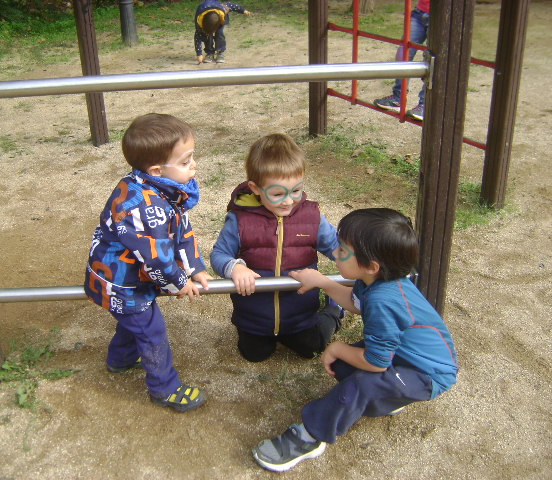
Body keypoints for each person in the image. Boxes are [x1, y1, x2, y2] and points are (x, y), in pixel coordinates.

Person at [251, 208, 458, 472]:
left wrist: (338, 347)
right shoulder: (375, 281)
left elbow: (376, 362)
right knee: (343, 366)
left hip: (426, 372)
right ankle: (388, 397)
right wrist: (322, 282)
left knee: (360, 384)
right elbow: (354, 302)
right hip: (401, 355)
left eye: (342, 250)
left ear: (372, 266)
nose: (335, 253)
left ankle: (310, 436)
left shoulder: (384, 301)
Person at [84, 113, 213, 413]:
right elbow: (157, 257)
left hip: (133, 278)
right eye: (186, 161)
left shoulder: (161, 189)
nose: (194, 165)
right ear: (157, 169)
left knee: (134, 325)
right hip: (123, 283)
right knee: (151, 331)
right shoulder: (145, 207)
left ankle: (120, 360)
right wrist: (180, 282)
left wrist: (194, 267)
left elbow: (182, 230)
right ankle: (164, 389)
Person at [210, 133, 344, 363]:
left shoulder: (311, 218)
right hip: (254, 316)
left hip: (300, 313)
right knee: (254, 354)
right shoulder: (240, 220)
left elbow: (337, 246)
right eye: (278, 193)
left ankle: (333, 309)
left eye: (296, 191)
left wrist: (356, 261)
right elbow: (219, 255)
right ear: (256, 188)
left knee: (311, 348)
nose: (288, 201)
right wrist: (235, 268)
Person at [374, 0, 430, 121]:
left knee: (432, 59)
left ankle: (425, 105)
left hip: (439, 16)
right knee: (403, 54)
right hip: (420, 12)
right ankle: (398, 97)